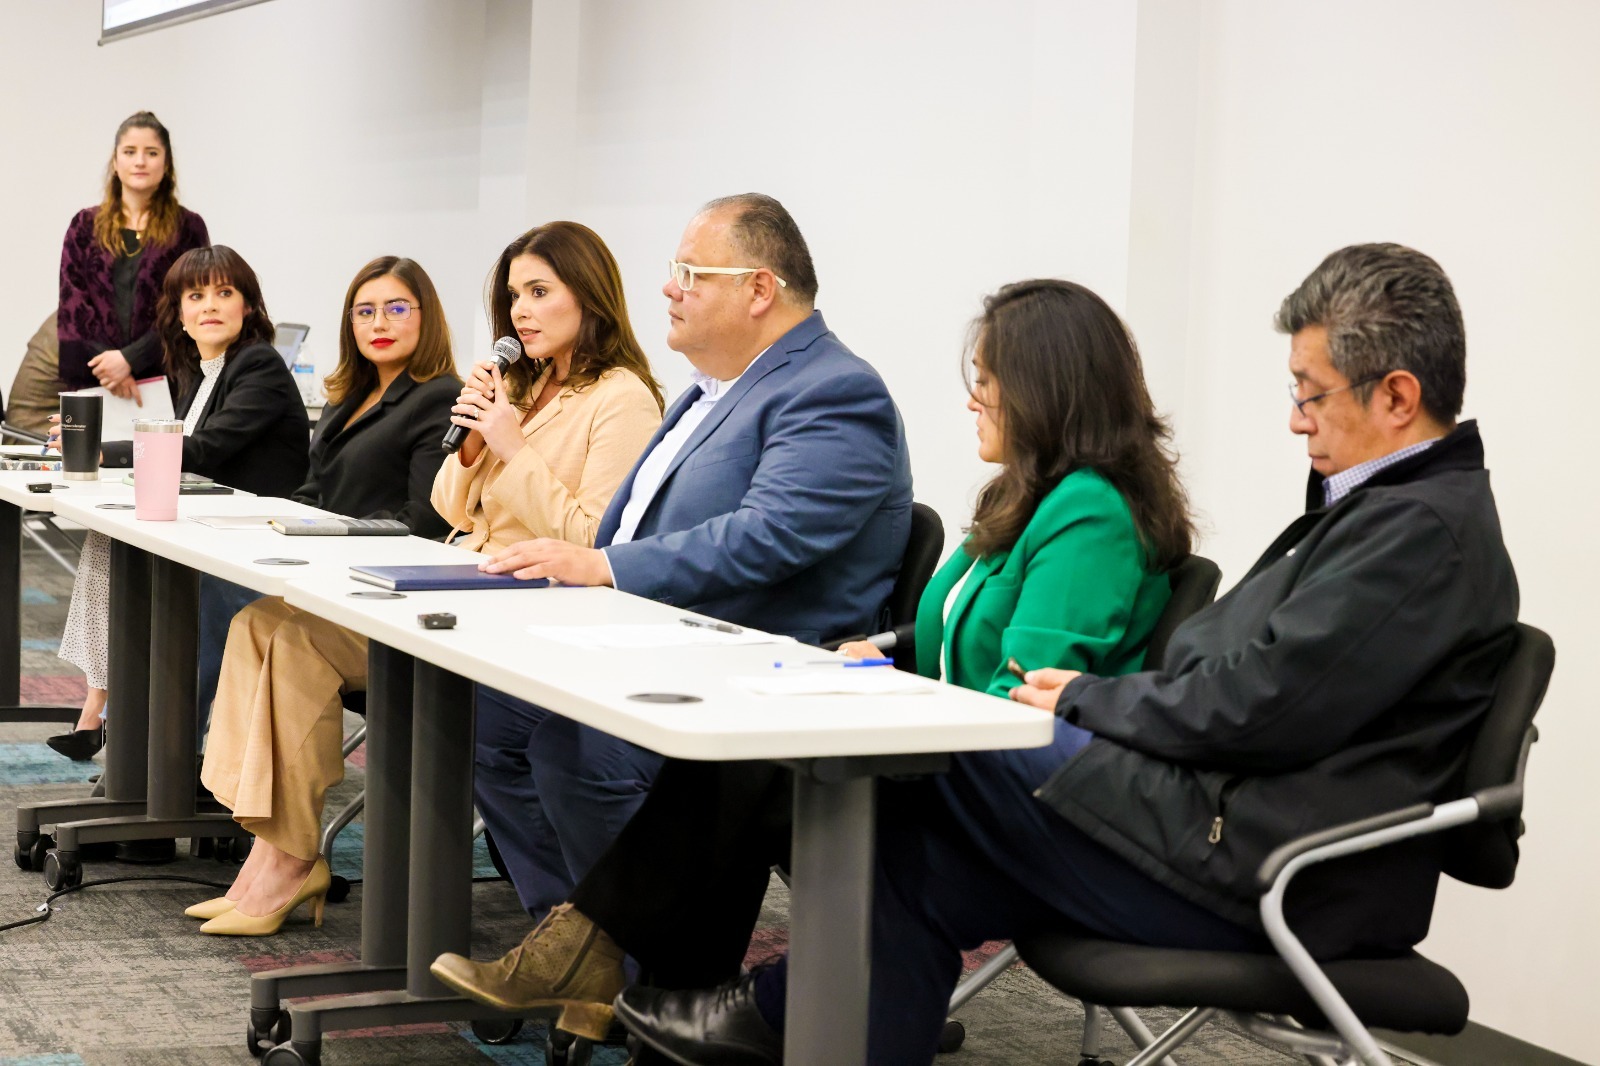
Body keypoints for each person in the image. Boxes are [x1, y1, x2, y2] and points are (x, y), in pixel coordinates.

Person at [614, 243, 1522, 1066]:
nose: (1295, 421)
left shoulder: (1420, 534)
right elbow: (1252, 685)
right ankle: (768, 1013)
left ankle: (734, 1001)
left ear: (1396, 396)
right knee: (911, 856)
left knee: (924, 759)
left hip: (1273, 871)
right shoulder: (1390, 513)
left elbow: (1262, 707)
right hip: (1222, 828)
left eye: (1309, 393)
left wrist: (1087, 698)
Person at [430, 192, 915, 1040]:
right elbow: (628, 525)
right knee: (491, 715)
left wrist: (606, 568)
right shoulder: (708, 392)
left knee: (579, 746)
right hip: (667, 644)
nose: (669, 288)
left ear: (758, 288)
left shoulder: (836, 390)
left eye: (691, 273)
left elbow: (770, 536)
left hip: (764, 673)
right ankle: (596, 951)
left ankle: (631, 968)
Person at [188, 222, 665, 936]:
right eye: (514, 296)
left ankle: (286, 860)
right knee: (262, 623)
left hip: (531, 606)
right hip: (467, 579)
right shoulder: (525, 383)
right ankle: (277, 847)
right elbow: (449, 506)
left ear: (589, 297)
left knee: (294, 639)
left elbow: (594, 540)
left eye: (539, 292)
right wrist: (472, 446)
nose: (521, 312)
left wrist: (512, 446)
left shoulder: (620, 398)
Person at [46, 245, 309, 761]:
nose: (209, 305)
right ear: (180, 315)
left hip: (252, 542)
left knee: (140, 566)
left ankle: (151, 748)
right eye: (195, 296)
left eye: (224, 293)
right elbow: (183, 450)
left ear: (248, 306)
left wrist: (104, 450)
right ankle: (110, 712)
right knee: (108, 542)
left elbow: (204, 450)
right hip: (210, 528)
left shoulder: (258, 364)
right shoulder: (203, 372)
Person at [191, 255, 465, 738]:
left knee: (217, 596)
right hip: (321, 571)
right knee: (202, 583)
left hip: (375, 587)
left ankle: (177, 752)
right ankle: (187, 759)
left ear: (427, 316)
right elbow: (311, 491)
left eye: (397, 308)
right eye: (365, 312)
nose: (379, 324)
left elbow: (425, 520)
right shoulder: (347, 396)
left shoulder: (440, 398)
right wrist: (271, 527)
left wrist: (325, 540)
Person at [57, 111, 209, 397]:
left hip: (167, 377)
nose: (140, 161)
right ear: (115, 162)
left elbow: (191, 303)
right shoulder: (84, 225)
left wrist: (130, 360)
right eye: (129, 152)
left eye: (151, 152)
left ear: (166, 163)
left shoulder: (188, 227)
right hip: (96, 378)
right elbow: (73, 306)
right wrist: (111, 367)